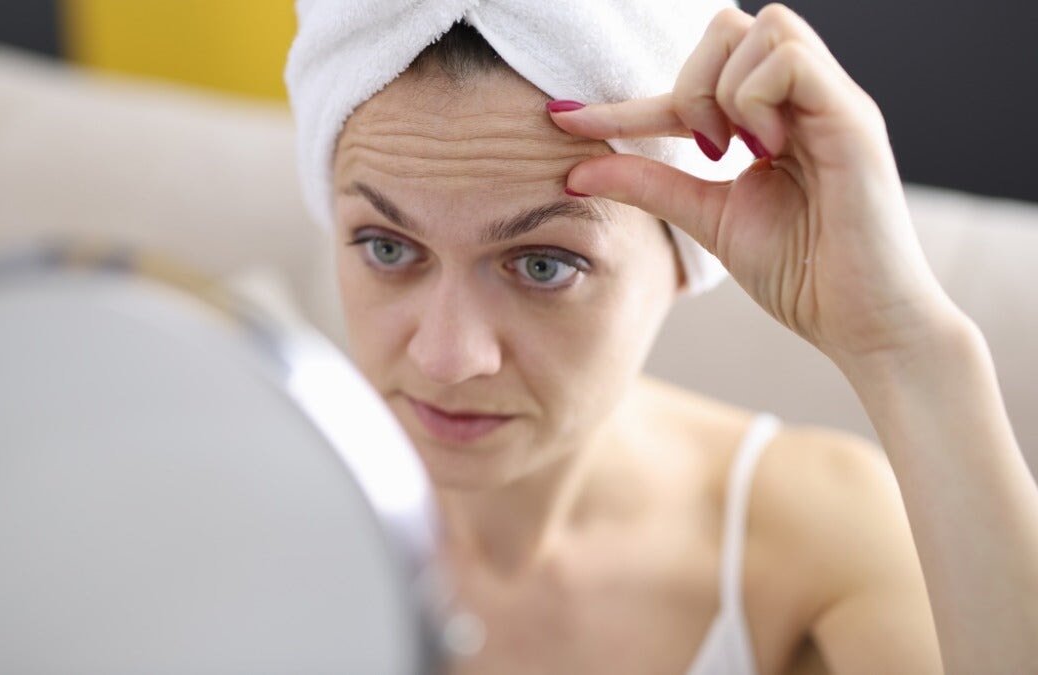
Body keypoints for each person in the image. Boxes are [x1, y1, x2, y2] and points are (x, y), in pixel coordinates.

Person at [287, 2, 1038, 673]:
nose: (446, 357)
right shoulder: (246, 487)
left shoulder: (813, 543)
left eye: (544, 264)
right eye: (387, 247)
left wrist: (904, 347)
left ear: (686, 253)